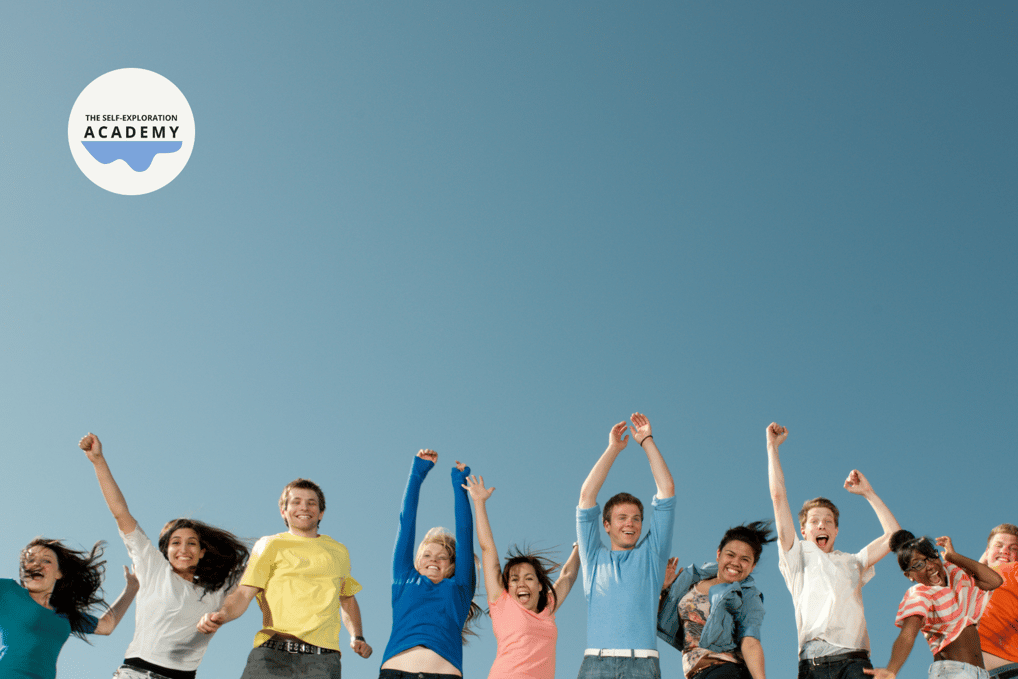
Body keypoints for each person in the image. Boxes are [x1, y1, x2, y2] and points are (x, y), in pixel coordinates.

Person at [80, 432, 249, 679]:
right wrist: (98, 461)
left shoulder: (219, 589)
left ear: (202, 552)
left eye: (192, 543)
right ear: (166, 551)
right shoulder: (154, 569)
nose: (183, 549)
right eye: (176, 543)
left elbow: (264, 568)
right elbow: (120, 513)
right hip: (137, 674)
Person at [196, 478, 372, 679]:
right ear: (284, 511)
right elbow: (245, 592)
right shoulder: (269, 545)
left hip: (323, 661)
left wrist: (357, 636)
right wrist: (223, 614)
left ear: (321, 512)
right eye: (296, 502)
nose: (304, 507)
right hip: (271, 654)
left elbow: (347, 598)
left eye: (311, 503)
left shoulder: (338, 551)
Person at [765, 422, 900, 679]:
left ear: (836, 531)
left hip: (855, 661)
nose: (821, 525)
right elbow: (778, 496)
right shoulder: (797, 554)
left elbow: (895, 536)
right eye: (814, 521)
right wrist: (772, 447)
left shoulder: (853, 561)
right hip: (812, 662)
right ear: (803, 531)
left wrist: (868, 493)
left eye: (828, 521)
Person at [576, 413, 676, 679]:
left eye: (636, 518)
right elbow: (586, 496)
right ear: (606, 525)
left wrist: (647, 441)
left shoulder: (652, 555)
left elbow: (666, 490)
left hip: (642, 665)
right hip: (596, 663)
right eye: (622, 518)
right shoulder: (594, 557)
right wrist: (613, 449)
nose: (630, 524)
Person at [463, 473, 581, 679]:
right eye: (514, 580)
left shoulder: (548, 607)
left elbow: (568, 575)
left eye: (528, 578)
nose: (521, 584)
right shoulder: (503, 603)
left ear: (540, 585)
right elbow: (487, 548)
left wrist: (580, 547)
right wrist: (479, 502)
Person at [379, 450, 481, 679]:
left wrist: (459, 484)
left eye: (442, 556)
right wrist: (417, 473)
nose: (433, 559)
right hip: (396, 672)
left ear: (452, 565)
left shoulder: (460, 589)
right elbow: (406, 521)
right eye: (427, 555)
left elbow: (465, 532)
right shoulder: (403, 579)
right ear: (416, 562)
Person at [865, 531, 1003, 679]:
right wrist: (892, 669)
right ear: (909, 575)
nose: (930, 565)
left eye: (931, 557)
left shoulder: (955, 575)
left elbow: (994, 581)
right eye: (918, 564)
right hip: (953, 673)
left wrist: (953, 556)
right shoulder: (921, 595)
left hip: (981, 673)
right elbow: (908, 634)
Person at [0, 537, 138, 679]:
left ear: (59, 573)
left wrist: (132, 587)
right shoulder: (8, 591)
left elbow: (106, 626)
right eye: (30, 560)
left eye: (46, 560)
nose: (37, 564)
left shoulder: (64, 614)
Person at [657, 522, 775, 679]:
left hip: (726, 671)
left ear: (752, 566)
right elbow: (661, 619)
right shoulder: (692, 579)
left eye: (745, 559)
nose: (735, 563)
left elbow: (751, 641)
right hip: (697, 673)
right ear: (719, 554)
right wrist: (663, 589)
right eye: (730, 555)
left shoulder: (748, 596)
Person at [978, 524, 1018, 678]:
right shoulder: (969, 585)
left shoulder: (1013, 570)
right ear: (987, 552)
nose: (1005, 550)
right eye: (999, 546)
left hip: (1008, 672)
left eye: (1014, 548)